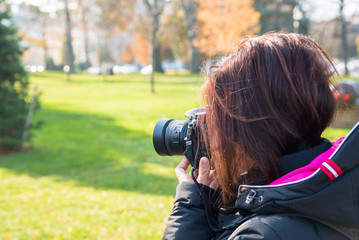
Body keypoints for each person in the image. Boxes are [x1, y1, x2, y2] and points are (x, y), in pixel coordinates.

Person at [162, 32, 359, 240]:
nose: (216, 141)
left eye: (222, 119)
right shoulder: (338, 183)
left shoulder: (264, 233)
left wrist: (190, 208)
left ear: (256, 129)